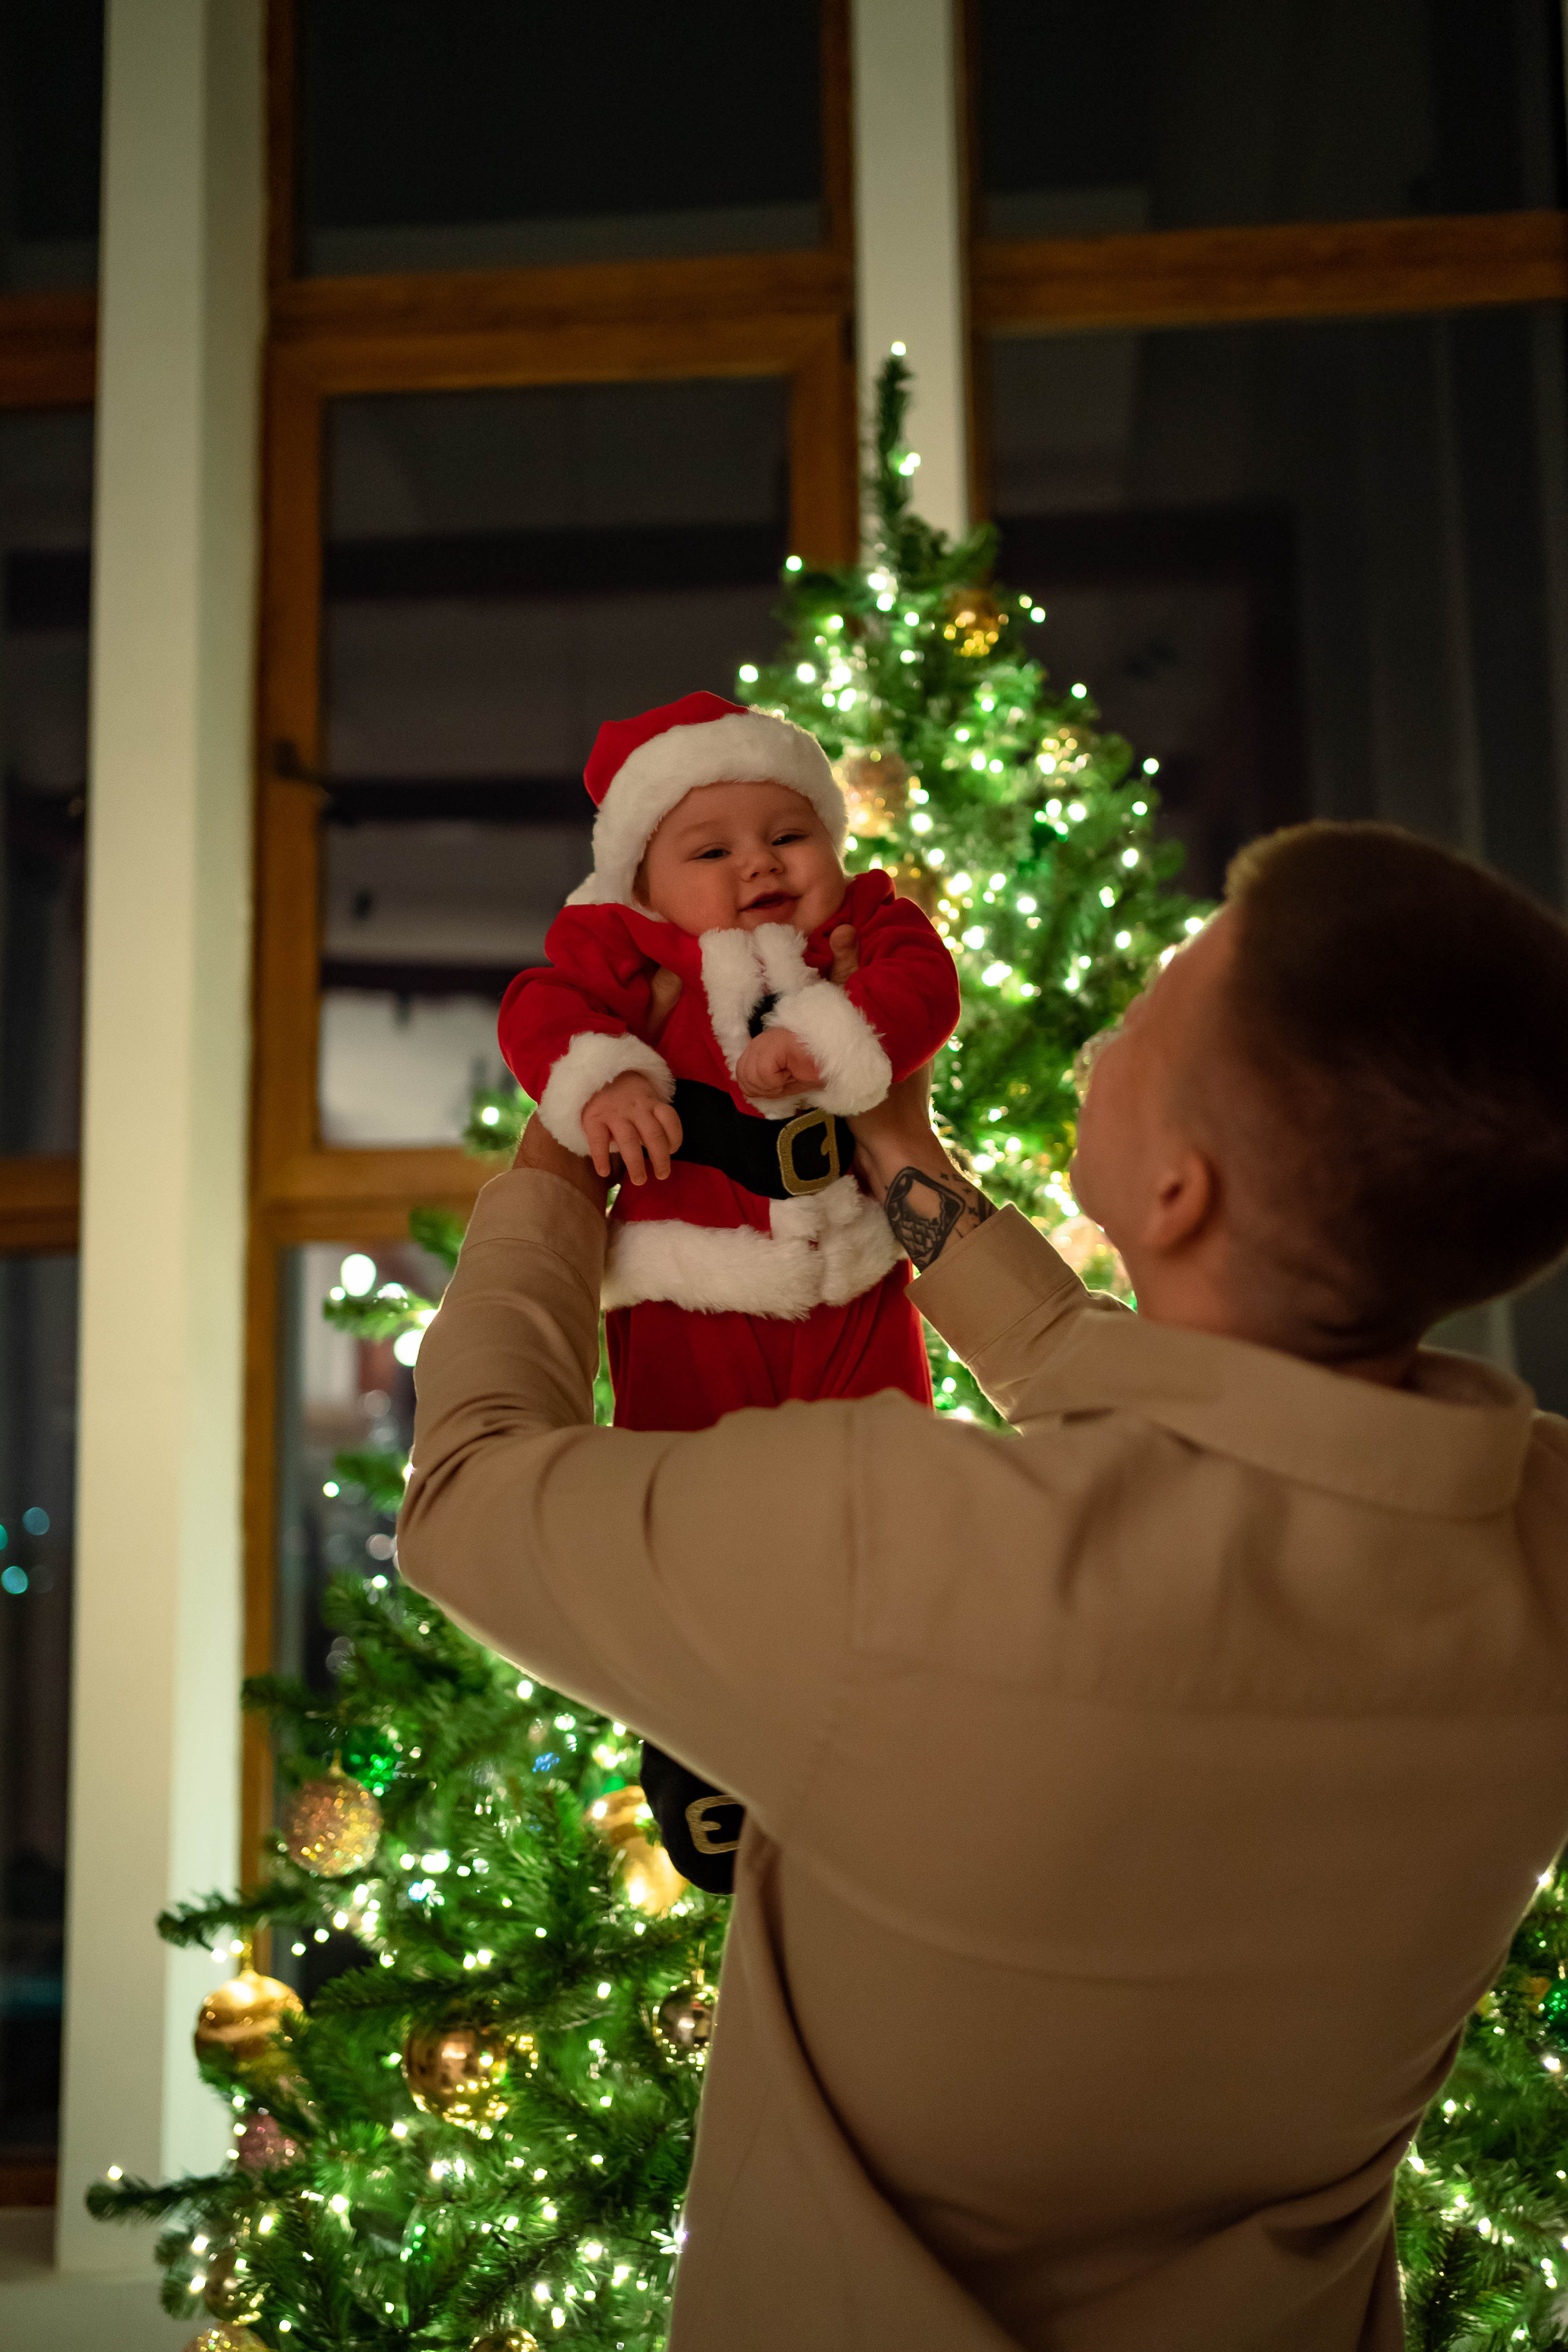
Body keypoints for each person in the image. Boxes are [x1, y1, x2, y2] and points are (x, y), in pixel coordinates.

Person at [400, 820, 1568, 2351]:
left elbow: (473, 1489)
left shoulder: (891, 1545)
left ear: (1176, 1188)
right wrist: (906, 1168)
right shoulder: (1534, 1537)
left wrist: (559, 1158)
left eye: (1151, 1008)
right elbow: (1164, 1401)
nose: (1103, 1035)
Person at [497, 690, 959, 1883]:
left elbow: (923, 989)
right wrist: (602, 1088)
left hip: (853, 1283)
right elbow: (540, 1012)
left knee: (885, 1498)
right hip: (686, 1298)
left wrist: (835, 1029)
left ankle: (892, 1712)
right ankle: (698, 1746)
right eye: (711, 850)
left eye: (786, 835)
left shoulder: (864, 926)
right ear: (644, 881)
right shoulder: (622, 947)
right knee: (690, 1522)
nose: (759, 865)